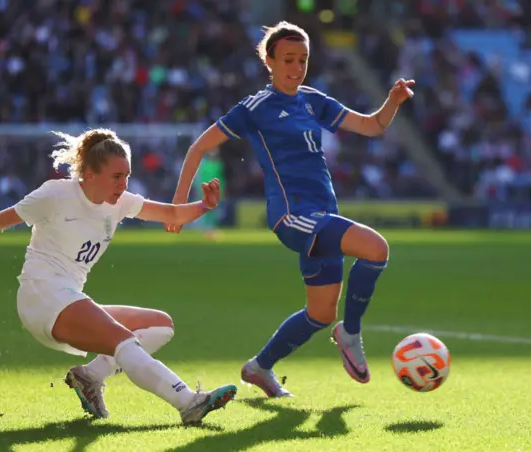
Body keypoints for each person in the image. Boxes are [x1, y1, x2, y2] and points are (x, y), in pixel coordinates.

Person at [0, 128, 237, 423]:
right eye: (116, 177)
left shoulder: (119, 202)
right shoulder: (55, 195)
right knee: (123, 341)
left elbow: (170, 213)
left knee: (160, 326)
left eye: (127, 176)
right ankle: (188, 403)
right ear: (90, 174)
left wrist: (204, 206)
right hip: (41, 296)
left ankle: (90, 377)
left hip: (69, 297)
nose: (124, 185)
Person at [166, 21, 415, 397]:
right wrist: (177, 207)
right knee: (377, 248)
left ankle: (259, 367)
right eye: (288, 60)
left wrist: (392, 102)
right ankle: (350, 332)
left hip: (322, 214)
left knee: (319, 314)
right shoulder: (255, 108)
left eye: (303, 60)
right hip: (292, 215)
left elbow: (372, 126)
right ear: (269, 61)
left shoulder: (313, 100)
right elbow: (198, 147)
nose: (297, 68)